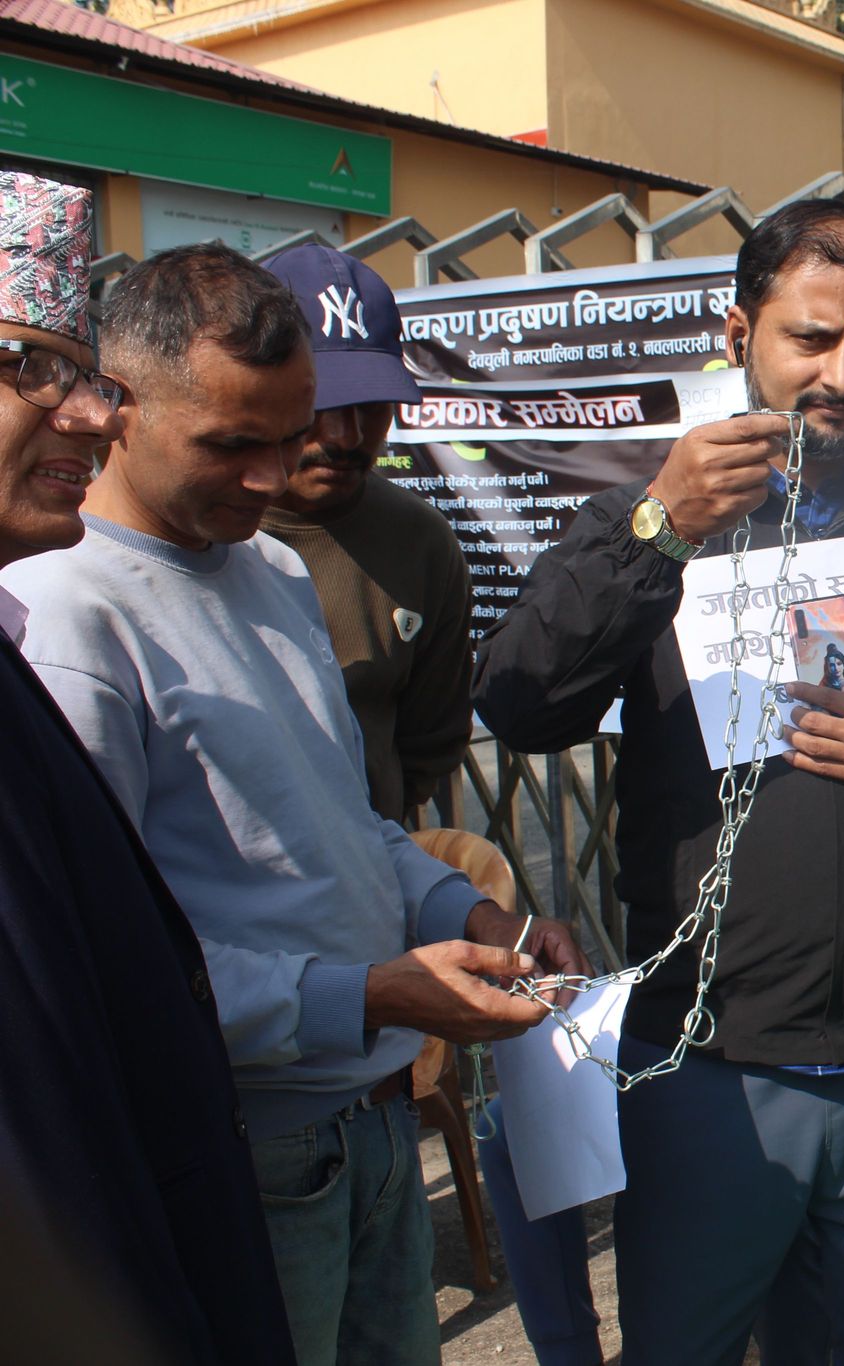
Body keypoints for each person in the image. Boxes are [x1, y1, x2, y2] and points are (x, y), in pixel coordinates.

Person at [472, 199, 844, 1365]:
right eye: (810, 340)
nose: (842, 374)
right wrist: (656, 527)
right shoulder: (651, 528)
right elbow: (521, 702)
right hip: (710, 1066)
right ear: (738, 332)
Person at [0, 242, 589, 1366]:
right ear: (116, 410)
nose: (274, 477)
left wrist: (463, 918)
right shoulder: (64, 617)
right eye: (232, 443)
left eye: (293, 435)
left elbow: (349, 821)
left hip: (372, 1131)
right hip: (248, 1154)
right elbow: (116, 972)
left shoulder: (266, 568)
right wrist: (373, 994)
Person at [0, 171, 297, 1366]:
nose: (84, 416)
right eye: (29, 365)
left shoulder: (264, 575)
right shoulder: (69, 622)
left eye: (87, 377)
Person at [260, 242, 472, 824]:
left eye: (371, 404)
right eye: (318, 401)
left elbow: (431, 738)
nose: (346, 435)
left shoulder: (421, 543)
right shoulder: (195, 532)